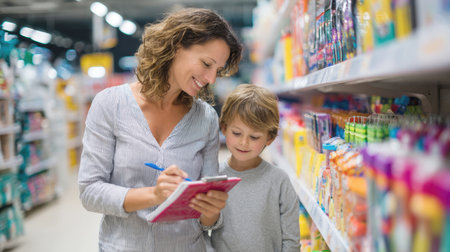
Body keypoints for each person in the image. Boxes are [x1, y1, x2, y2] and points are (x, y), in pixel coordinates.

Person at [78, 8, 242, 251]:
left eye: (217, 70)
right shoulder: (110, 104)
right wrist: (154, 195)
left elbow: (206, 218)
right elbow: (90, 191)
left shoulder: (205, 118)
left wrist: (212, 211)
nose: (211, 79)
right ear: (176, 46)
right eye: (207, 64)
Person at [209, 84, 300, 251]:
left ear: (270, 137)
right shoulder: (214, 177)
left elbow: (291, 240)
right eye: (237, 133)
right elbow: (203, 232)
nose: (244, 143)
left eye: (254, 137)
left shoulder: (279, 181)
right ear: (224, 128)